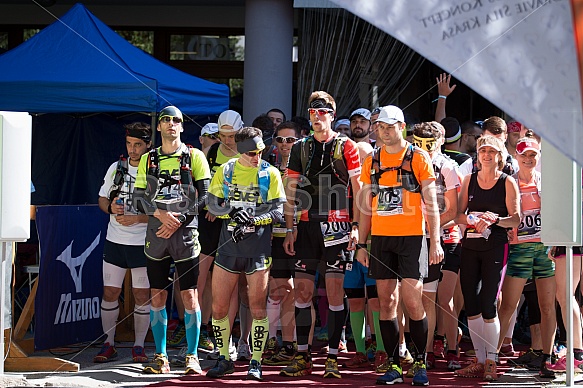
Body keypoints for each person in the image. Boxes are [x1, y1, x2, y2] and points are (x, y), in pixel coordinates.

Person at [356, 107, 444, 386]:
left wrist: (435, 241)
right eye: (381, 126)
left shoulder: (418, 157)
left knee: (412, 300)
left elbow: (431, 204)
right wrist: (360, 243)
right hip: (381, 239)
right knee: (386, 302)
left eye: (390, 126)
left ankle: (420, 362)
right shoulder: (372, 160)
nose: (385, 131)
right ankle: (393, 363)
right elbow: (365, 207)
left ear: (402, 127)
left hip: (412, 238)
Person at [280, 90, 362, 379]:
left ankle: (332, 357)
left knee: (336, 292)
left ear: (332, 115)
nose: (317, 116)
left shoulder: (347, 146)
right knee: (302, 291)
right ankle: (303, 355)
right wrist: (290, 229)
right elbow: (290, 192)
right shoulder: (300, 148)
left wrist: (357, 227)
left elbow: (360, 190)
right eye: (313, 112)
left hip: (338, 226)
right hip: (306, 225)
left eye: (323, 111)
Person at [133, 105, 211, 375]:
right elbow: (138, 197)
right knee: (157, 295)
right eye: (165, 120)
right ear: (158, 127)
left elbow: (205, 197)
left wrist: (180, 219)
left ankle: (192, 355)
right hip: (157, 233)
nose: (170, 124)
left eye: (175, 120)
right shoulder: (148, 158)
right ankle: (161, 356)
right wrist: (160, 214)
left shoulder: (195, 155)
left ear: (182, 126)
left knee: (189, 295)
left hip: (185, 233)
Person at [206, 126, 286, 381]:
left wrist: (254, 219)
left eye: (260, 151)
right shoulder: (227, 170)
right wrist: (231, 212)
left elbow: (278, 213)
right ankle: (223, 358)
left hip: (258, 251)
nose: (257, 157)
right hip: (228, 249)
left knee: (257, 308)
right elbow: (211, 202)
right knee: (218, 308)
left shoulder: (270, 173)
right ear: (240, 151)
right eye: (251, 153)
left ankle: (256, 361)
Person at [453, 135, 520, 381]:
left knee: (488, 303)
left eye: (492, 151)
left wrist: (495, 219)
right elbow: (457, 214)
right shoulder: (469, 180)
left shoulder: (507, 182)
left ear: (500, 155)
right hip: (470, 245)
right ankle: (479, 361)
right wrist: (471, 219)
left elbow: (516, 218)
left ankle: (491, 360)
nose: (487, 155)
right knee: (471, 303)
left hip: (495, 246)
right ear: (477, 155)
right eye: (483, 151)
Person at [496, 137, 556, 377]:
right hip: (519, 249)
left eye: (533, 155)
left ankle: (547, 358)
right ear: (516, 156)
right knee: (508, 305)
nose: (529, 160)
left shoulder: (545, 181)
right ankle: (492, 356)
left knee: (547, 306)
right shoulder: (510, 182)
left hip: (543, 249)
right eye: (524, 156)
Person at [94, 122, 152, 364]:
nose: (133, 149)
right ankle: (109, 343)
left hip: (142, 243)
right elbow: (101, 199)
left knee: (142, 295)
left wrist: (137, 217)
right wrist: (111, 207)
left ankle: (138, 346)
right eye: (129, 144)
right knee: (110, 292)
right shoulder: (116, 167)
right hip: (114, 240)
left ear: (148, 145)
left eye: (138, 144)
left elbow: (165, 210)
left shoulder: (154, 170)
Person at [411, 122, 462, 372]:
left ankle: (452, 348)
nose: (423, 150)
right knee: (426, 297)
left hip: (448, 236)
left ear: (440, 142)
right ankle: (427, 350)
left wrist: (433, 228)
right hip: (419, 237)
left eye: (428, 145)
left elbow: (454, 209)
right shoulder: (408, 163)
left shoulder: (448, 167)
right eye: (418, 144)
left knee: (446, 298)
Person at [197, 109, 243, 362]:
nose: (227, 140)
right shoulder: (211, 152)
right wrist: (213, 205)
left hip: (234, 222)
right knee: (201, 276)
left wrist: (222, 207)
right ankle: (199, 330)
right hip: (209, 221)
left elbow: (250, 190)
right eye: (223, 135)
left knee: (229, 282)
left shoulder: (248, 153)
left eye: (232, 136)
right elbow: (202, 186)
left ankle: (225, 337)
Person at [342, 141, 388, 372]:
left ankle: (381, 349)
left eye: (365, 158)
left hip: (372, 247)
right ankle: (360, 351)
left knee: (377, 300)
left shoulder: (377, 182)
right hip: (349, 248)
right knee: (355, 299)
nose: (360, 163)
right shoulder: (346, 182)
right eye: (356, 158)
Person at [263, 121, 301, 366]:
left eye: (291, 140)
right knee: (278, 290)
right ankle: (275, 342)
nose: (285, 145)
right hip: (274, 236)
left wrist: (295, 228)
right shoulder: (268, 167)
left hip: (301, 236)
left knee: (300, 292)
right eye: (280, 140)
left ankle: (296, 346)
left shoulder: (307, 165)